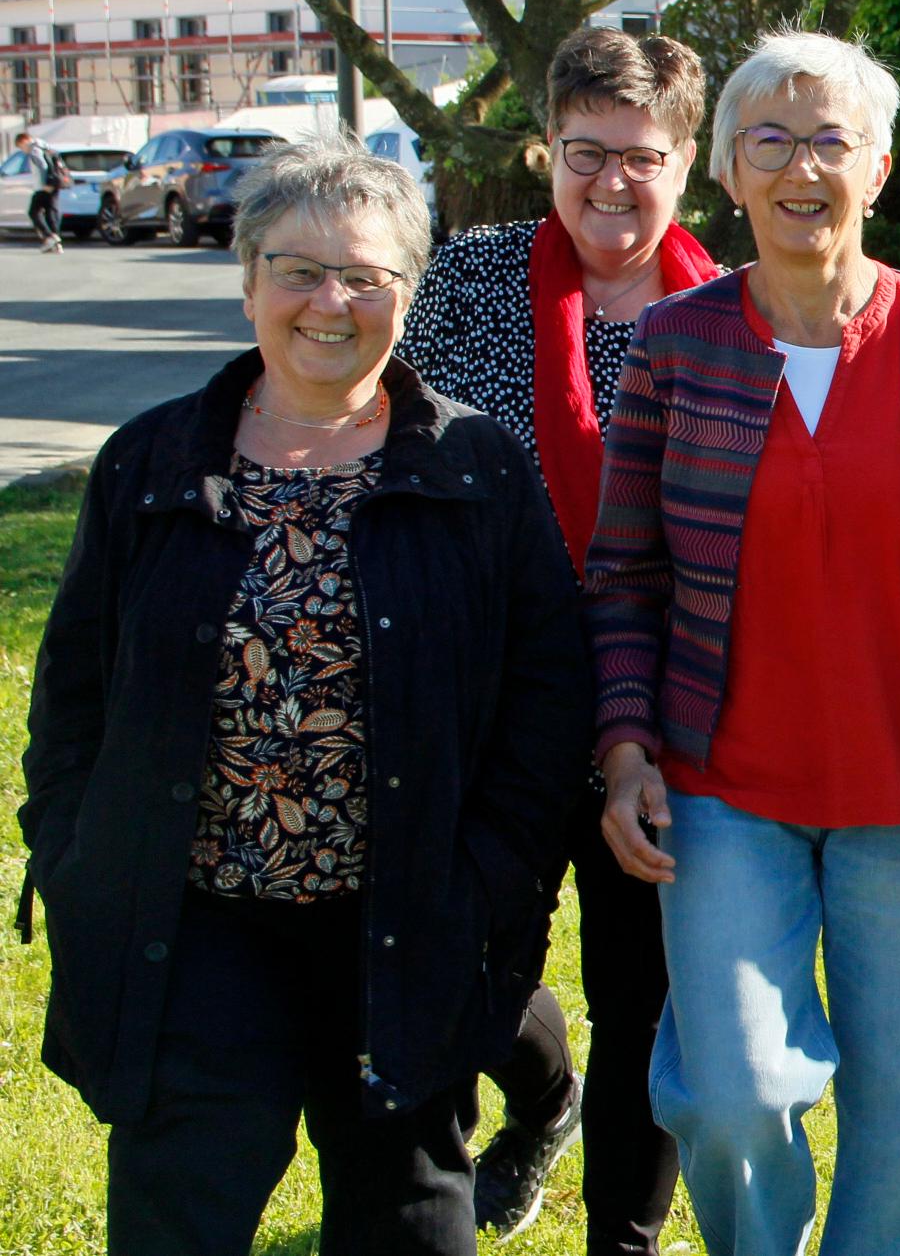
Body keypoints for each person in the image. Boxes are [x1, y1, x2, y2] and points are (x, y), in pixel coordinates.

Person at [16, 138, 590, 1255]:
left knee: (409, 1223)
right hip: (195, 921)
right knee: (178, 1215)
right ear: (247, 283)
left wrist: (490, 872)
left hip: (406, 916)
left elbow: (546, 688)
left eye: (367, 277)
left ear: (406, 297)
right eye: (298, 269)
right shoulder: (152, 462)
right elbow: (73, 688)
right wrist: (75, 852)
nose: (331, 301)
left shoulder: (476, 466)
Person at [584, 28, 900, 1256]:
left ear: (879, 167)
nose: (804, 169)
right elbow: (625, 569)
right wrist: (627, 745)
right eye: (771, 143)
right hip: (724, 788)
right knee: (732, 1092)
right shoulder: (678, 349)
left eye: (830, 141)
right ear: (730, 173)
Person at [397, 24, 718, 1249]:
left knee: (643, 1001)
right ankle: (542, 1100)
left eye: (641, 156)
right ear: (549, 151)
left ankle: (622, 1241)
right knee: (471, 975)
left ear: (685, 160)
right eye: (585, 153)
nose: (610, 184)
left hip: (675, 718)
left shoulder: (735, 318)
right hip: (494, 707)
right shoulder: (463, 285)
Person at [17, 130, 65, 253]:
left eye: (21, 147)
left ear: (24, 141)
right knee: (51, 213)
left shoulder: (35, 150)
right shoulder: (45, 146)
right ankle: (56, 244)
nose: (23, 150)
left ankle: (50, 236)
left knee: (33, 212)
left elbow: (43, 166)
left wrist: (45, 183)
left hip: (43, 187)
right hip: (55, 184)